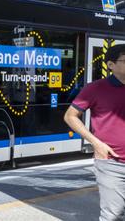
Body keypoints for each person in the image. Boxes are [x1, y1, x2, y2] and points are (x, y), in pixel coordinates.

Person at [64, 44, 125, 221]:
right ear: (111, 65)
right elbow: (70, 116)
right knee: (113, 215)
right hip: (112, 163)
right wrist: (96, 143)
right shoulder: (95, 88)